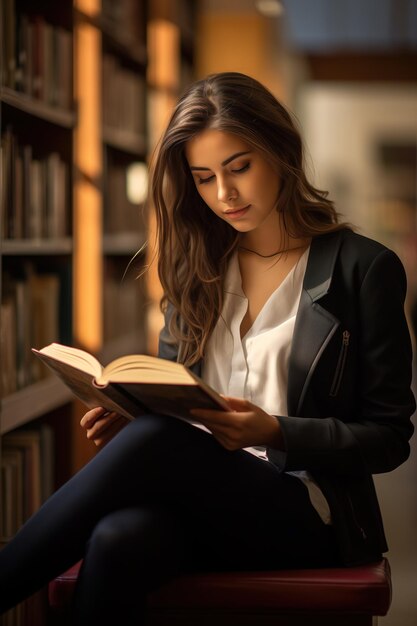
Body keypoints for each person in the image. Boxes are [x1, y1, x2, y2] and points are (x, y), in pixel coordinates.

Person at [0, 72, 415, 625]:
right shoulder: (198, 270)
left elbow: (389, 439)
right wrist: (131, 414)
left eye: (239, 167)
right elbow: (174, 403)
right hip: (202, 497)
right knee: (118, 537)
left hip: (306, 510)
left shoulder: (364, 268)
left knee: (154, 441)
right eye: (203, 178)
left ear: (281, 151)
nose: (225, 195)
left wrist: (273, 430)